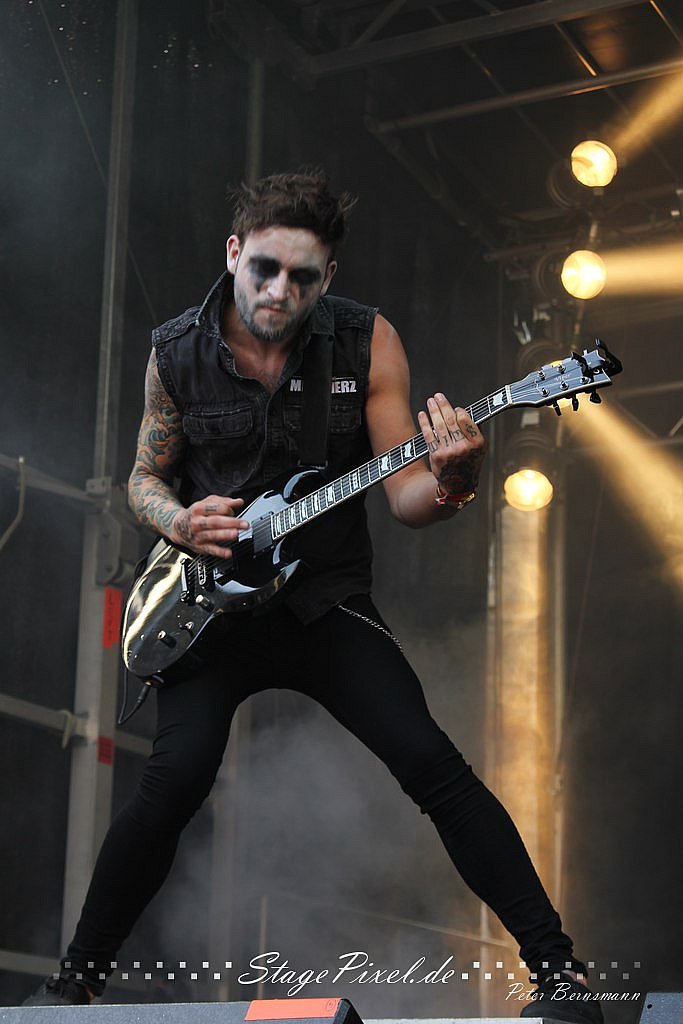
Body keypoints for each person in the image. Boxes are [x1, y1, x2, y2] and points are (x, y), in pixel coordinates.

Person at [24, 171, 602, 1023]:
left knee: (431, 764)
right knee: (171, 783)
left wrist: (457, 479)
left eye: (301, 277)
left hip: (322, 599)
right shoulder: (176, 351)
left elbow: (406, 498)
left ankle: (559, 976)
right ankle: (74, 982)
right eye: (263, 269)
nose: (278, 291)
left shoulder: (367, 342)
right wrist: (179, 521)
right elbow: (144, 477)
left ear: (327, 276)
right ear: (234, 254)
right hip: (209, 611)